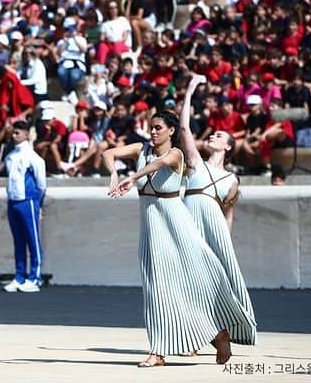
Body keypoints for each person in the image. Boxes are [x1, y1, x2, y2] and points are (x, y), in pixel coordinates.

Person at [102, 110, 252, 367]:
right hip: (151, 227)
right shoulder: (141, 148)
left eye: (158, 128)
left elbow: (160, 164)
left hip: (177, 226)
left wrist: (133, 177)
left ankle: (178, 345)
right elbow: (108, 153)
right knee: (155, 289)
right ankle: (210, 336)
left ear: (171, 131)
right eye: (151, 127)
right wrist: (114, 174)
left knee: (193, 284)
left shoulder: (177, 154)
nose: (153, 132)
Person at [178, 75, 257, 351]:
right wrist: (189, 91)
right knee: (185, 279)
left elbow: (228, 214)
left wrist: (228, 244)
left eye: (220, 136)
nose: (213, 135)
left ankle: (219, 329)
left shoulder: (231, 180)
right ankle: (201, 333)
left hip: (214, 230)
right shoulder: (195, 162)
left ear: (229, 147)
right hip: (188, 222)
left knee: (215, 282)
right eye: (213, 134)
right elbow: (185, 128)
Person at [2, 119, 46, 293]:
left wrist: (37, 202)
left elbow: (41, 184)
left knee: (33, 240)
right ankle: (20, 276)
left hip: (28, 200)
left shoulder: (33, 157)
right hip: (13, 201)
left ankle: (35, 277)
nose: (14, 135)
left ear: (27, 134)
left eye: (17, 133)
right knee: (18, 240)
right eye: (13, 132)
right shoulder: (10, 156)